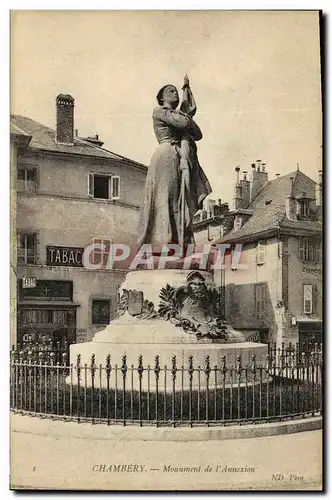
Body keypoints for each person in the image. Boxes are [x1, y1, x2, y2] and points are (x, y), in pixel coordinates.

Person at [138, 80, 211, 253]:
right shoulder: (160, 111)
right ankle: (163, 241)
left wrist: (186, 116)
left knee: (180, 199)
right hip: (166, 156)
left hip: (179, 157)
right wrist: (187, 116)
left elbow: (198, 134)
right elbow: (186, 124)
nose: (175, 93)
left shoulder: (176, 115)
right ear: (162, 97)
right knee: (166, 197)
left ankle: (179, 241)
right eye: (170, 91)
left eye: (176, 91)